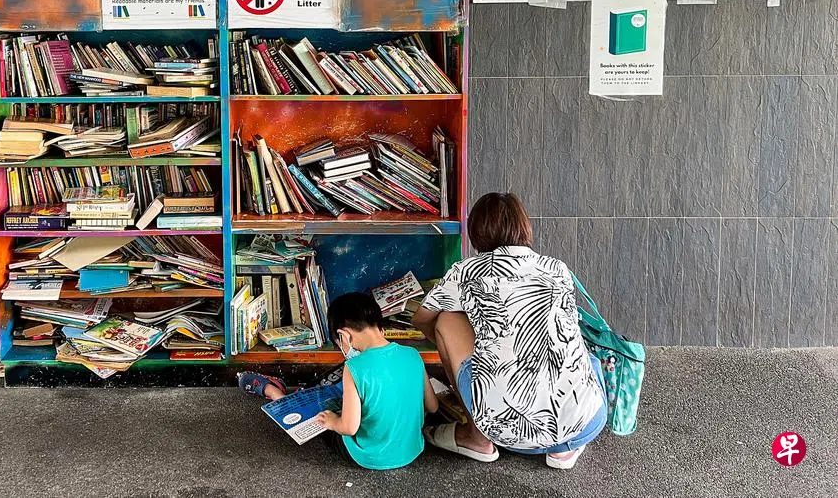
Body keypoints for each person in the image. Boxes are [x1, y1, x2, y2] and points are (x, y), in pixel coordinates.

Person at [412, 192, 607, 470]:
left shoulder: (466, 272)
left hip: (505, 429)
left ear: (476, 231)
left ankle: (476, 438)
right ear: (524, 226)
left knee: (445, 321)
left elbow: (422, 319)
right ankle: (563, 450)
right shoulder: (557, 269)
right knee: (582, 355)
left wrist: (469, 345)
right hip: (586, 422)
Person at [238, 292, 438, 469]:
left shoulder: (354, 367)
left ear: (344, 335)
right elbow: (432, 406)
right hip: (411, 450)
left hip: (368, 456)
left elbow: (349, 428)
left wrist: (333, 421)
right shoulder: (413, 354)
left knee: (323, 417)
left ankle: (276, 394)